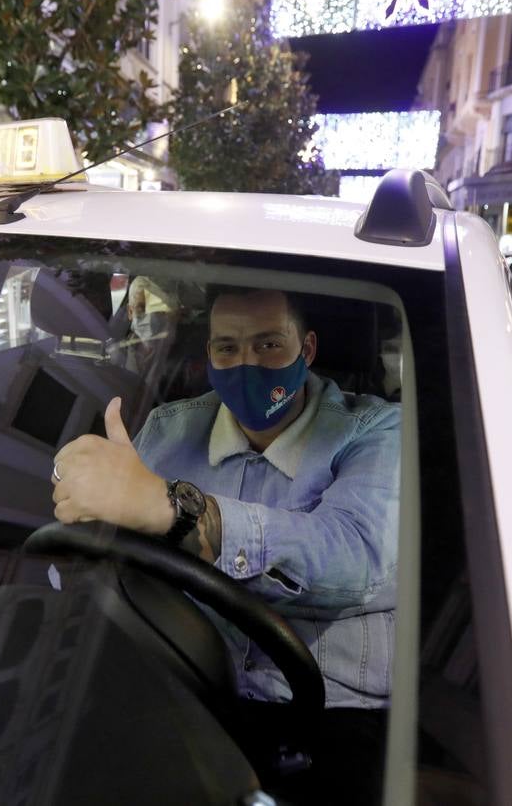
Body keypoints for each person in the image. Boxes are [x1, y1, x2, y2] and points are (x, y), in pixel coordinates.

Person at [50, 285, 400, 797]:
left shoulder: (376, 429)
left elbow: (353, 557)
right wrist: (81, 499)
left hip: (331, 714)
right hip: (178, 687)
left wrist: (169, 509)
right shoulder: (169, 429)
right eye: (227, 348)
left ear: (306, 350)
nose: (246, 365)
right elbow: (106, 560)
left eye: (268, 345)